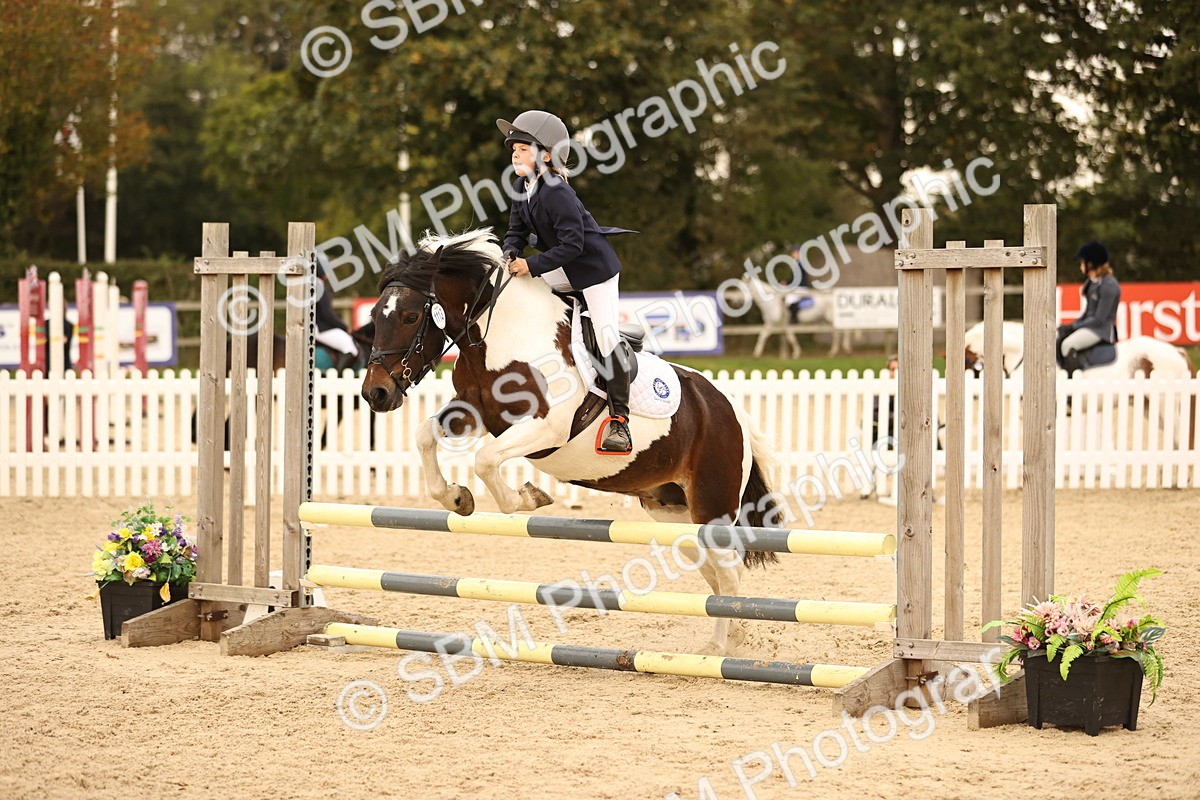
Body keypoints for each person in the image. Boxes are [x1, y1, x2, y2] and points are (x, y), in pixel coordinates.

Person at [497, 110, 636, 455]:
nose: (515, 154)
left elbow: (573, 245)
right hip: (562, 269)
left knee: (606, 338)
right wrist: (510, 252)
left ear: (546, 156)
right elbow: (515, 231)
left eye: (523, 149)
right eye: (513, 149)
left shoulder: (557, 192)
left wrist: (530, 264)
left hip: (593, 273)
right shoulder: (521, 186)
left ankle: (620, 421)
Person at [1056, 241, 1121, 374]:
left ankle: (1072, 383)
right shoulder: (1091, 283)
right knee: (1060, 337)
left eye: (1082, 262)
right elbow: (1087, 314)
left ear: (1091, 264)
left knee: (1068, 345)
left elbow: (1099, 319)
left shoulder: (1109, 285)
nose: (1080, 266)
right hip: (1091, 327)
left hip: (1101, 330)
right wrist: (1070, 326)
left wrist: (1074, 327)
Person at [313, 259, 360, 371]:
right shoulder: (319, 288)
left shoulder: (312, 286)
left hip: (316, 326)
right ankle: (338, 375)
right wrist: (344, 327)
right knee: (350, 347)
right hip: (320, 328)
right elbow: (328, 315)